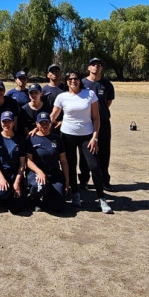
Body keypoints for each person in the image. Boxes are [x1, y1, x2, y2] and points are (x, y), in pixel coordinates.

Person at [50, 71, 111, 214]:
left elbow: (96, 118)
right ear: (66, 81)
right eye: (70, 79)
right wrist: (39, 128)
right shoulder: (62, 97)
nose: (73, 81)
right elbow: (53, 115)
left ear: (79, 80)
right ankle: (76, 194)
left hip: (87, 136)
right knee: (71, 165)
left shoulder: (89, 94)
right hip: (67, 135)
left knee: (94, 166)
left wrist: (95, 137)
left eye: (76, 78)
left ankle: (101, 198)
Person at [82, 57, 115, 191]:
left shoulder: (107, 84)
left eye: (99, 65)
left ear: (101, 68)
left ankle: (104, 181)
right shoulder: (82, 83)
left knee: (104, 152)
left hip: (103, 123)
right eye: (93, 65)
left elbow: (108, 102)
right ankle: (84, 180)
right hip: (86, 123)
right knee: (85, 153)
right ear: (88, 68)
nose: (96, 67)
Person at [26, 112, 70, 213]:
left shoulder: (57, 139)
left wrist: (67, 180)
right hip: (36, 173)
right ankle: (35, 200)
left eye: (46, 123)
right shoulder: (31, 138)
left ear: (51, 123)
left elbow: (63, 161)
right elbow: (28, 161)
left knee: (57, 206)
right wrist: (39, 172)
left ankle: (48, 197)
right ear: (37, 124)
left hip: (54, 173)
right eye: (41, 123)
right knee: (39, 187)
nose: (44, 126)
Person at [0, 111, 28, 213]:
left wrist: (17, 182)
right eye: (4, 122)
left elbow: (22, 163)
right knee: (2, 192)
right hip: (1, 174)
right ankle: (1, 197)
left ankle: (12, 194)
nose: (6, 124)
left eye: (9, 121)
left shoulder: (19, 139)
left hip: (15, 175)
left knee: (16, 209)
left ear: (13, 123)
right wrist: (1, 178)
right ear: (1, 123)